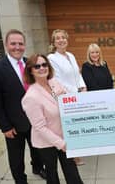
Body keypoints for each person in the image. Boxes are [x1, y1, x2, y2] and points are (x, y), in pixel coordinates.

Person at [0, 29, 45, 184]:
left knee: (37, 149)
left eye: (20, 43)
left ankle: (38, 168)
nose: (17, 47)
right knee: (16, 156)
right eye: (13, 44)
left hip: (34, 119)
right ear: (6, 45)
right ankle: (20, 179)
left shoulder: (30, 64)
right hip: (13, 124)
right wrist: (5, 127)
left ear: (24, 45)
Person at [22, 54, 83, 184]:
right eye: (37, 66)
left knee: (72, 170)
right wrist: (61, 144)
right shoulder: (31, 97)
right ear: (31, 71)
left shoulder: (54, 82)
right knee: (52, 173)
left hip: (63, 135)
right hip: (46, 142)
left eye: (44, 64)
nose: (42, 68)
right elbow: (40, 128)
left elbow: (67, 99)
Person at [47, 29, 86, 165]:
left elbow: (78, 73)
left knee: (78, 123)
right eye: (58, 38)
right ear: (54, 42)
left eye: (63, 37)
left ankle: (78, 149)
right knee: (69, 127)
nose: (61, 40)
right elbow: (58, 80)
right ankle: (73, 155)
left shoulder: (70, 55)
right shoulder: (52, 58)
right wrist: (76, 92)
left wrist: (83, 87)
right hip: (66, 97)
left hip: (78, 95)